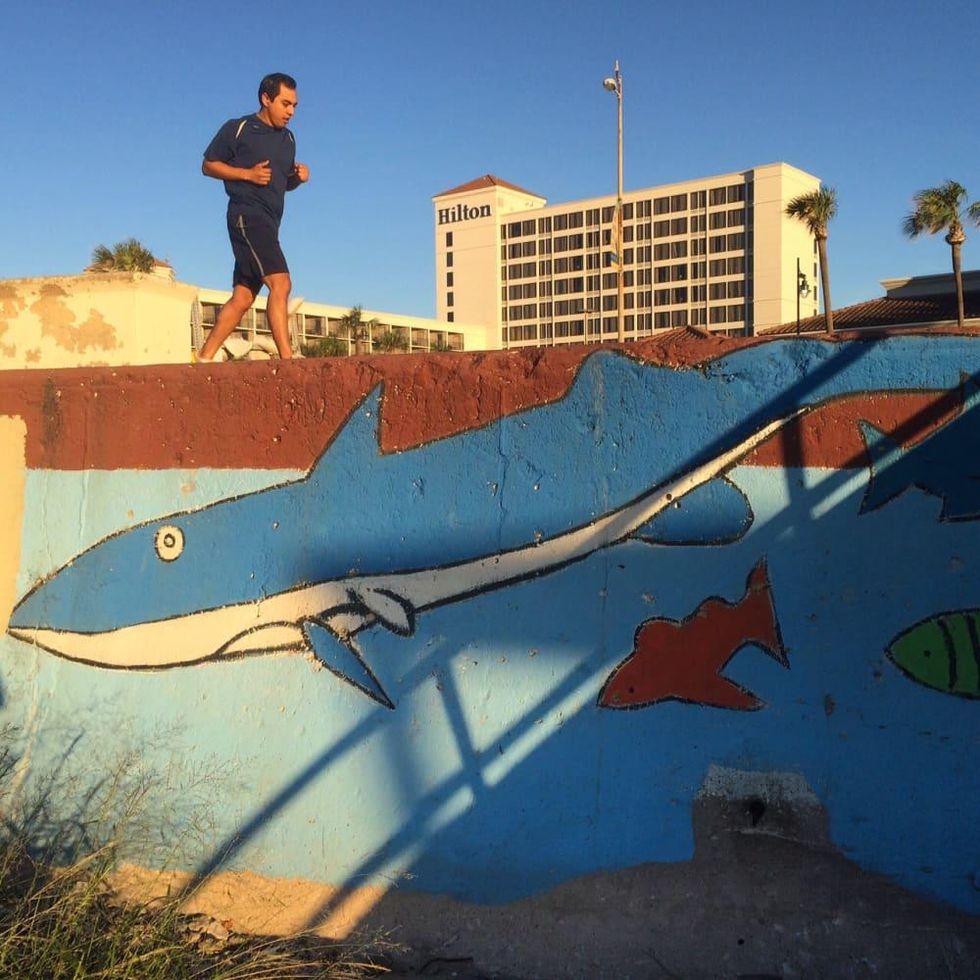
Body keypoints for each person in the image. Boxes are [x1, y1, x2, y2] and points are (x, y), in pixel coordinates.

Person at [198, 72, 310, 361]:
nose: (291, 111)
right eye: (285, 104)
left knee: (244, 296)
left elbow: (280, 182)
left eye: (295, 105)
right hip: (246, 216)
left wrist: (297, 178)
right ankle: (287, 360)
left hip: (270, 223)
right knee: (281, 283)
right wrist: (246, 174)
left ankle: (204, 358)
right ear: (266, 98)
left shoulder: (288, 139)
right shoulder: (239, 129)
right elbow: (208, 166)